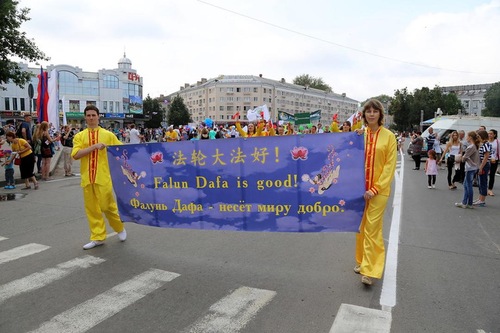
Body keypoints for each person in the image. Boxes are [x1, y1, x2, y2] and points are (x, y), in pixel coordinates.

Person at [354, 99, 397, 286]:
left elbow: (389, 166)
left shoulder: (389, 136)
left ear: (380, 114)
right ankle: (362, 260)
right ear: (364, 115)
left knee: (372, 228)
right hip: (359, 189)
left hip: (379, 191)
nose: (371, 114)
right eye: (368, 111)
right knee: (361, 227)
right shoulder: (359, 135)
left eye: (375, 111)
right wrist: (352, 140)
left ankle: (369, 271)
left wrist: (375, 188)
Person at [72, 105, 127, 250]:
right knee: (92, 209)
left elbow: (121, 151)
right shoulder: (79, 136)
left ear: (98, 116)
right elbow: (76, 155)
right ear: (85, 117)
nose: (91, 118)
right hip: (87, 178)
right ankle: (97, 237)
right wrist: (93, 147)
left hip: (103, 176)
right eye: (88, 115)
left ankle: (119, 228)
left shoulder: (108, 135)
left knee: (107, 205)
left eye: (93, 115)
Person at [455, 131, 480, 208]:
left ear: (470, 137)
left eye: (467, 136)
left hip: (470, 167)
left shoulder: (471, 147)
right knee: (466, 185)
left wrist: (461, 157)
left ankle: (468, 203)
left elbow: (464, 158)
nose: (466, 137)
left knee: (468, 185)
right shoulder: (474, 146)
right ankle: (465, 202)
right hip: (472, 167)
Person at [473, 130, 491, 207]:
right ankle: (480, 198)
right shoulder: (484, 144)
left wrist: (481, 167)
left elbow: (486, 157)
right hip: (483, 164)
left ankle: (482, 200)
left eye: (478, 137)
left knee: (483, 182)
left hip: (484, 165)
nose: (478, 138)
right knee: (481, 182)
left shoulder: (486, 144)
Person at [487, 129, 498, 196]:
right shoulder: (486, 141)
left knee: (492, 175)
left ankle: (490, 189)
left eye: (491, 134)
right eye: (488, 133)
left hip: (494, 160)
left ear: (494, 135)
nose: (489, 135)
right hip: (486, 160)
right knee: (484, 175)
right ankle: (483, 188)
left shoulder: (497, 142)